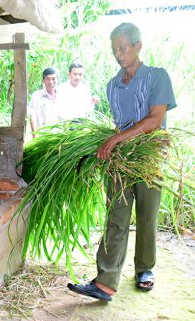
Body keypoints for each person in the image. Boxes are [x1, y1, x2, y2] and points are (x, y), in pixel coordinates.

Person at [67, 23, 176, 301]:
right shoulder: (112, 85)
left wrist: (116, 140)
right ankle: (105, 281)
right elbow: (119, 124)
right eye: (114, 49)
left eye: (123, 48)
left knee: (147, 216)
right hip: (121, 160)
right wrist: (111, 142)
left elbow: (154, 119)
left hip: (149, 158)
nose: (118, 54)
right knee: (116, 216)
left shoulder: (157, 77)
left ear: (138, 47)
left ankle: (144, 269)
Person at [28, 67, 61, 135]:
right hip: (43, 136)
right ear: (43, 80)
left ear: (57, 79)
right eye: (48, 79)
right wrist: (34, 134)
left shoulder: (62, 95)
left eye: (53, 79)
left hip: (60, 136)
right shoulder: (36, 96)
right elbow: (32, 116)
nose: (51, 82)